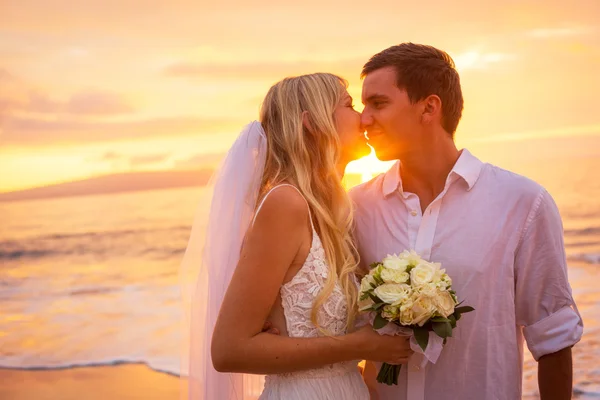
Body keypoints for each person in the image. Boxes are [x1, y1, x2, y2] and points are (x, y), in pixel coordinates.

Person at [350, 43, 584, 400]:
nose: (364, 119)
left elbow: (552, 336)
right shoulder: (356, 207)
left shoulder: (522, 202)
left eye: (378, 104)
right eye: (363, 105)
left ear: (429, 107)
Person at [182, 72, 413, 400]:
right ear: (313, 123)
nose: (363, 117)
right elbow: (228, 350)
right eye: (348, 105)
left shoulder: (333, 211)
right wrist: (359, 346)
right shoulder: (286, 204)